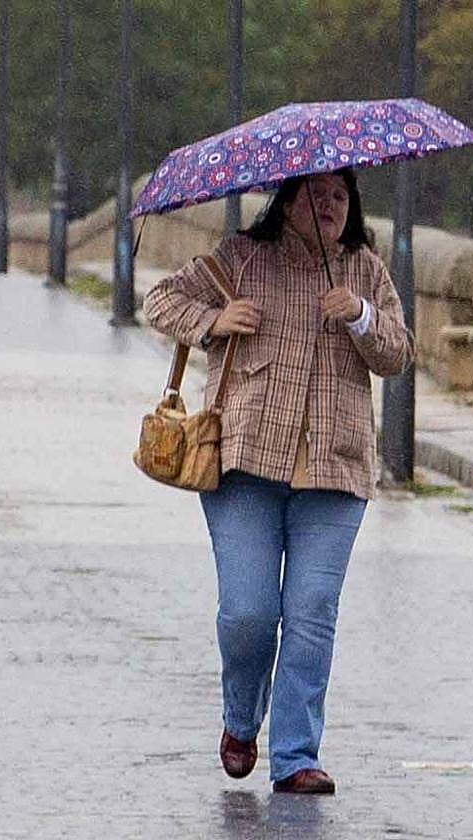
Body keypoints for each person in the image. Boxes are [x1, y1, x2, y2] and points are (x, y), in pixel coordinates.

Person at [143, 169, 414, 795]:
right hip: (244, 464)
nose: (330, 207)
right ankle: (241, 719)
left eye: (340, 198)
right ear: (287, 203)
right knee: (248, 614)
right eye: (316, 196)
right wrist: (214, 319)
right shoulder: (241, 257)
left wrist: (362, 316)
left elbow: (398, 354)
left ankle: (296, 757)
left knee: (312, 615)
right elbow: (160, 299)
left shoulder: (366, 270)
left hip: (335, 468)